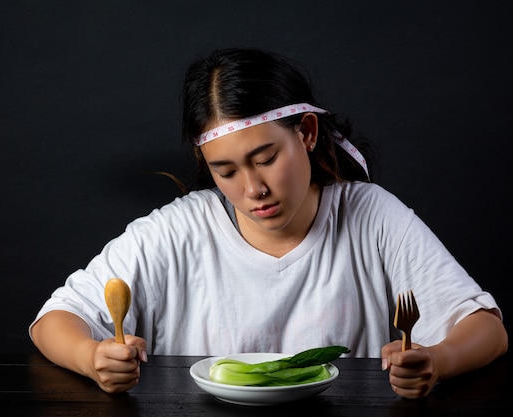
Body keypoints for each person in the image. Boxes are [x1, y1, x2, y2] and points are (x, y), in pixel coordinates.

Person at [29, 47, 508, 399]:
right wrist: (92, 359)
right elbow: (53, 321)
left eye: (266, 157)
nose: (252, 189)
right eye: (226, 170)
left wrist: (437, 362)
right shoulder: (176, 231)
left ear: (307, 133)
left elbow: (485, 328)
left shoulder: (370, 215)